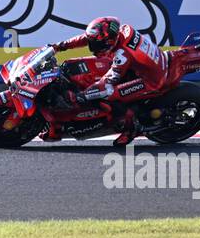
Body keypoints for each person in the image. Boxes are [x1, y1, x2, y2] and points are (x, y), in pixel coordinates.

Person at [52, 16, 170, 146]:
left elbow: (107, 83)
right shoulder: (121, 31)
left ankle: (131, 128)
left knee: (109, 94)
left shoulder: (122, 55)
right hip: (139, 66)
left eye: (96, 44)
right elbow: (88, 38)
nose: (92, 46)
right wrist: (60, 46)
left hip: (150, 79)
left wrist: (82, 96)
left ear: (109, 42)